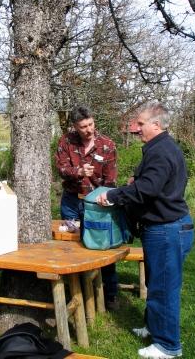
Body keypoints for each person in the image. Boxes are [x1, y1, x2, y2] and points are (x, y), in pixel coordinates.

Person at [97, 102, 194, 359]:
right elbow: (152, 184)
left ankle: (167, 346)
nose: (135, 128)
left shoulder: (161, 151)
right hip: (164, 228)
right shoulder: (160, 148)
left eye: (140, 124)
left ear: (156, 125)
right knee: (156, 284)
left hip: (167, 230)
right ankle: (154, 328)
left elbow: (148, 190)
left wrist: (114, 195)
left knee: (163, 289)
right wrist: (136, 182)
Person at [55, 105, 119, 310]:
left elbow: (111, 180)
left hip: (96, 203)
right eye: (83, 126)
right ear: (75, 126)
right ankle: (74, 293)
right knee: (70, 247)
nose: (88, 129)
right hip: (72, 202)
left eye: (90, 124)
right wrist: (78, 171)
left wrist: (106, 198)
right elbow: (61, 169)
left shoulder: (107, 145)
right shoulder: (66, 141)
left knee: (102, 246)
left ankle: (110, 294)